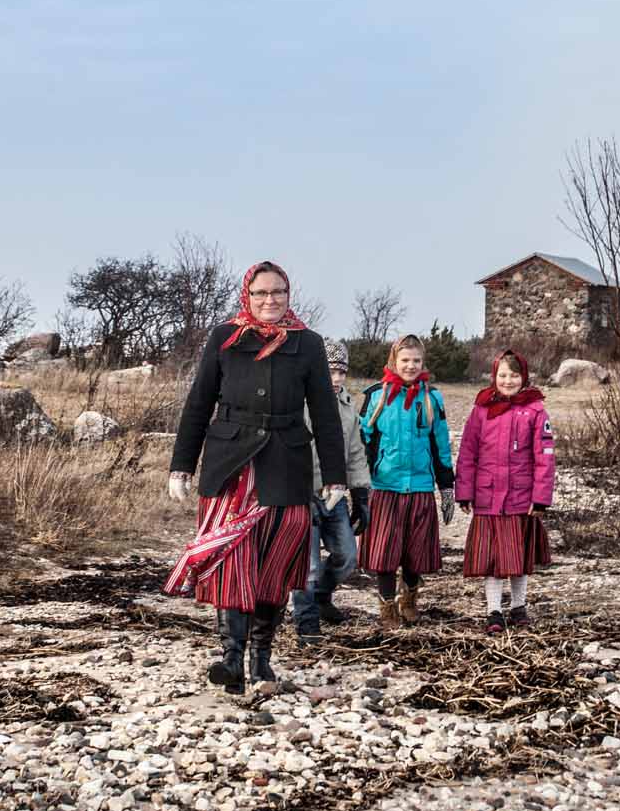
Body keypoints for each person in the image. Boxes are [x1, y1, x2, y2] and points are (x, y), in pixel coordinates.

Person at [163, 262, 347, 693]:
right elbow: (198, 403)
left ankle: (261, 659)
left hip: (286, 464)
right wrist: (181, 465)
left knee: (275, 565)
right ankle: (231, 658)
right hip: (230, 464)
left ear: (288, 294)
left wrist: (335, 477)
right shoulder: (224, 337)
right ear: (247, 295)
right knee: (231, 560)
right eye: (261, 293)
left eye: (278, 292)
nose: (270, 300)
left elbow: (325, 414)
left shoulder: (308, 343)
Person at [357, 334, 455, 629]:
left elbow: (440, 445)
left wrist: (446, 487)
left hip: (420, 486)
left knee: (415, 553)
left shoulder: (432, 398)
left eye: (416, 361)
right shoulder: (376, 396)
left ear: (423, 363)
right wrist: (359, 484)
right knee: (385, 554)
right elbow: (363, 442)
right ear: (394, 361)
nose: (410, 366)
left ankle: (409, 598)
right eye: (405, 360)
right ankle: (387, 606)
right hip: (385, 486)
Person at [455, 349, 555, 633]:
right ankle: (494, 611)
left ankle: (519, 607)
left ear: (524, 377)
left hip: (520, 500)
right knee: (493, 560)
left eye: (514, 375)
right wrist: (464, 492)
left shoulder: (535, 411)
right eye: (503, 375)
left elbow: (545, 457)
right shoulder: (481, 409)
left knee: (518, 558)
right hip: (488, 499)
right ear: (494, 376)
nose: (508, 381)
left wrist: (540, 498)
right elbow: (467, 452)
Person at [292, 338, 371, 642]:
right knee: (308, 564)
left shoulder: (348, 408)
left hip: (335, 495)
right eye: (330, 372)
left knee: (347, 556)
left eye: (341, 372)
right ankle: (306, 620)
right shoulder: (299, 403)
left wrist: (360, 494)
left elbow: (355, 452)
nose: (336, 379)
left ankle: (322, 596)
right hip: (304, 493)